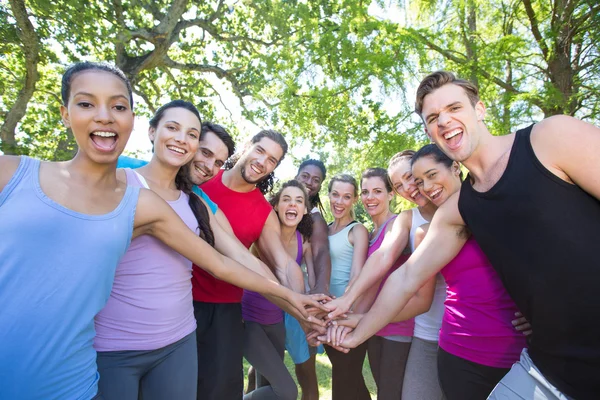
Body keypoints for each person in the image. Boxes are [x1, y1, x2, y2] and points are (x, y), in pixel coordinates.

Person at [0, 62, 324, 400]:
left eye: (118, 107)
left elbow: (232, 260)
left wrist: (296, 303)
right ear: (152, 131)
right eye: (86, 103)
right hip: (107, 343)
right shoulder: (121, 178)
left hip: (178, 334)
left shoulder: (184, 202)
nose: (104, 116)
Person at [327, 70, 600, 400]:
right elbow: (408, 276)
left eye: (454, 108)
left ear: (480, 110)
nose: (444, 121)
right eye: (433, 117)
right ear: (429, 131)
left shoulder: (551, 138)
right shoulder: (458, 211)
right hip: (548, 370)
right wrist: (360, 329)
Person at [193, 130, 310, 400]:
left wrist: (304, 307)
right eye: (260, 150)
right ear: (247, 146)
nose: (262, 162)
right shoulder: (203, 179)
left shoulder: (263, 212)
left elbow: (283, 265)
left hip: (225, 311)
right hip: (180, 301)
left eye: (272, 160)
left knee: (221, 391)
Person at [244, 180, 317, 400]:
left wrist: (317, 312)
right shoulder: (261, 234)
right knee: (284, 391)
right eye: (286, 199)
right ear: (276, 206)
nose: (292, 205)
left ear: (305, 210)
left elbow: (309, 282)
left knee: (267, 388)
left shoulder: (303, 241)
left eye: (298, 201)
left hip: (276, 322)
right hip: (249, 320)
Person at [358, 167, 415, 400]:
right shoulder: (372, 232)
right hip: (374, 324)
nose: (370, 197)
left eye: (377, 191)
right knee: (383, 390)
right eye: (365, 191)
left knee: (390, 394)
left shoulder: (398, 225)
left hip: (398, 326)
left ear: (391, 194)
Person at [286, 159, 330, 400]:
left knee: (306, 372)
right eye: (306, 176)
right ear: (297, 175)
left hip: (301, 301)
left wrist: (317, 295)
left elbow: (322, 254)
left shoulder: (315, 219)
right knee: (258, 370)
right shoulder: (279, 207)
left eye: (316, 180)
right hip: (271, 297)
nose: (310, 182)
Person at [324, 174, 371, 400]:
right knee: (351, 381)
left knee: (344, 381)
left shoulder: (357, 230)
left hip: (348, 316)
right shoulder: (323, 229)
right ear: (329, 194)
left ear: (354, 200)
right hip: (327, 314)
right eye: (335, 194)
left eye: (346, 196)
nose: (339, 201)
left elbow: (357, 275)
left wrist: (344, 317)